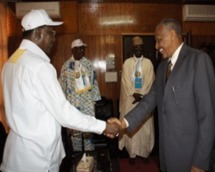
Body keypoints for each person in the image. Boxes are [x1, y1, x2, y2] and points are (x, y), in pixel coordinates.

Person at [0, 9, 121, 172]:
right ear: (38, 33)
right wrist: (103, 126)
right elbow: (63, 112)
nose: (54, 39)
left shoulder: (10, 63)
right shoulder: (40, 67)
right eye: (51, 33)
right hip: (38, 158)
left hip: (16, 154)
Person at [113, 18, 215, 172]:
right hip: (166, 154)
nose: (156, 46)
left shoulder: (198, 60)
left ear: (172, 35)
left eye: (159, 40)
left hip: (190, 156)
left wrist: (200, 162)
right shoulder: (161, 68)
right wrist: (123, 123)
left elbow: (208, 117)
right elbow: (149, 100)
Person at [59, 38, 101, 152]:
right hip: (73, 105)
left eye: (83, 48)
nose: (82, 51)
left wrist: (95, 100)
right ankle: (77, 160)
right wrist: (63, 105)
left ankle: (90, 158)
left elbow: (94, 82)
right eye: (79, 49)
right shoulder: (66, 66)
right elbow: (62, 86)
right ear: (72, 50)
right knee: (75, 135)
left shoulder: (88, 64)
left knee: (88, 133)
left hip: (87, 103)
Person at [118, 36, 155, 165]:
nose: (138, 49)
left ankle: (145, 153)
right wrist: (134, 94)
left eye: (140, 47)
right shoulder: (127, 63)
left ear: (142, 48)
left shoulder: (148, 63)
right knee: (131, 126)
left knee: (144, 128)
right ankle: (132, 153)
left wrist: (142, 94)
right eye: (136, 47)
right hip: (130, 100)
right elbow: (125, 81)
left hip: (144, 101)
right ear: (133, 49)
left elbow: (151, 81)